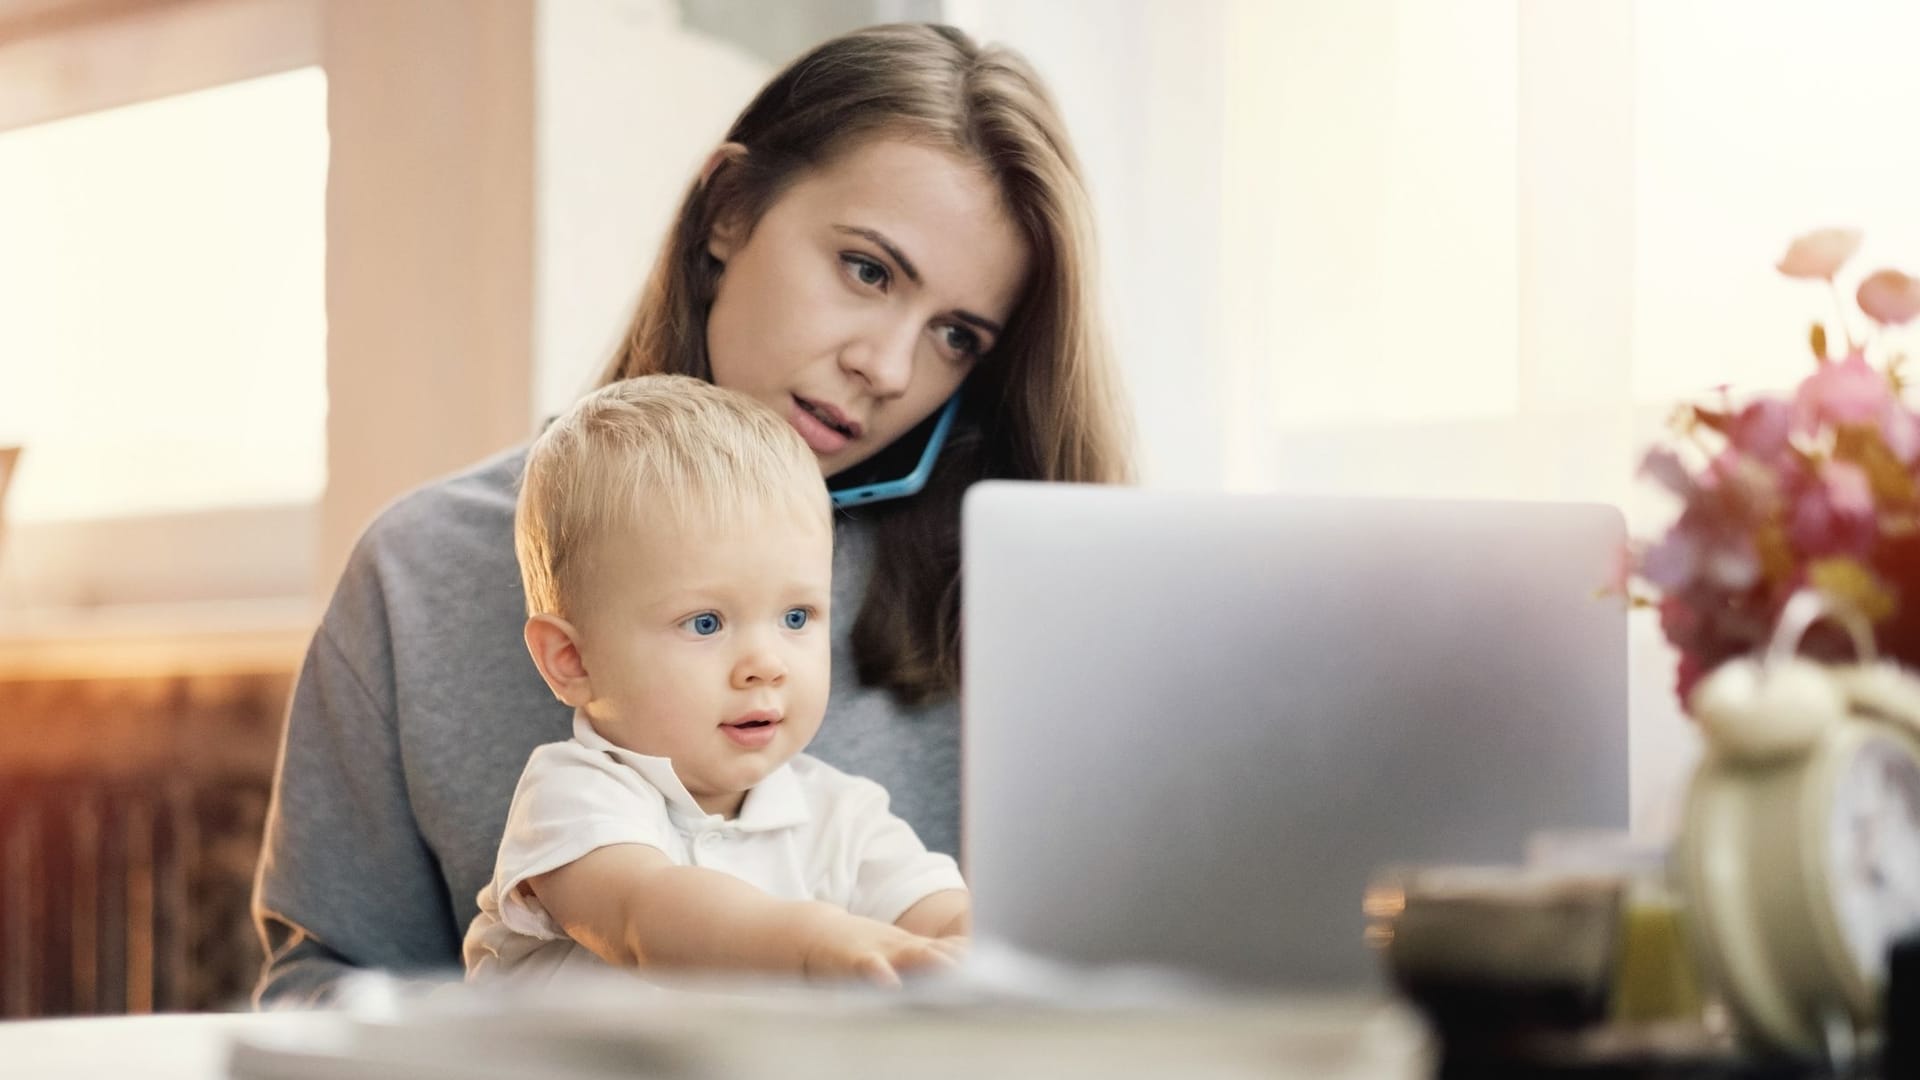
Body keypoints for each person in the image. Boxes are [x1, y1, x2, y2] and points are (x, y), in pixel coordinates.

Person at [252, 22, 1131, 1005]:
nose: (886, 368)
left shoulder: (1011, 597)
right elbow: (321, 998)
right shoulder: (417, 573)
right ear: (728, 211)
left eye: (957, 335)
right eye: (867, 270)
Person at [464, 375, 967, 985]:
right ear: (572, 660)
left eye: (796, 616)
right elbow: (645, 917)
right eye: (706, 622)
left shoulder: (842, 815)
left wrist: (979, 949)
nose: (766, 663)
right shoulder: (573, 795)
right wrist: (814, 944)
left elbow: (942, 915)